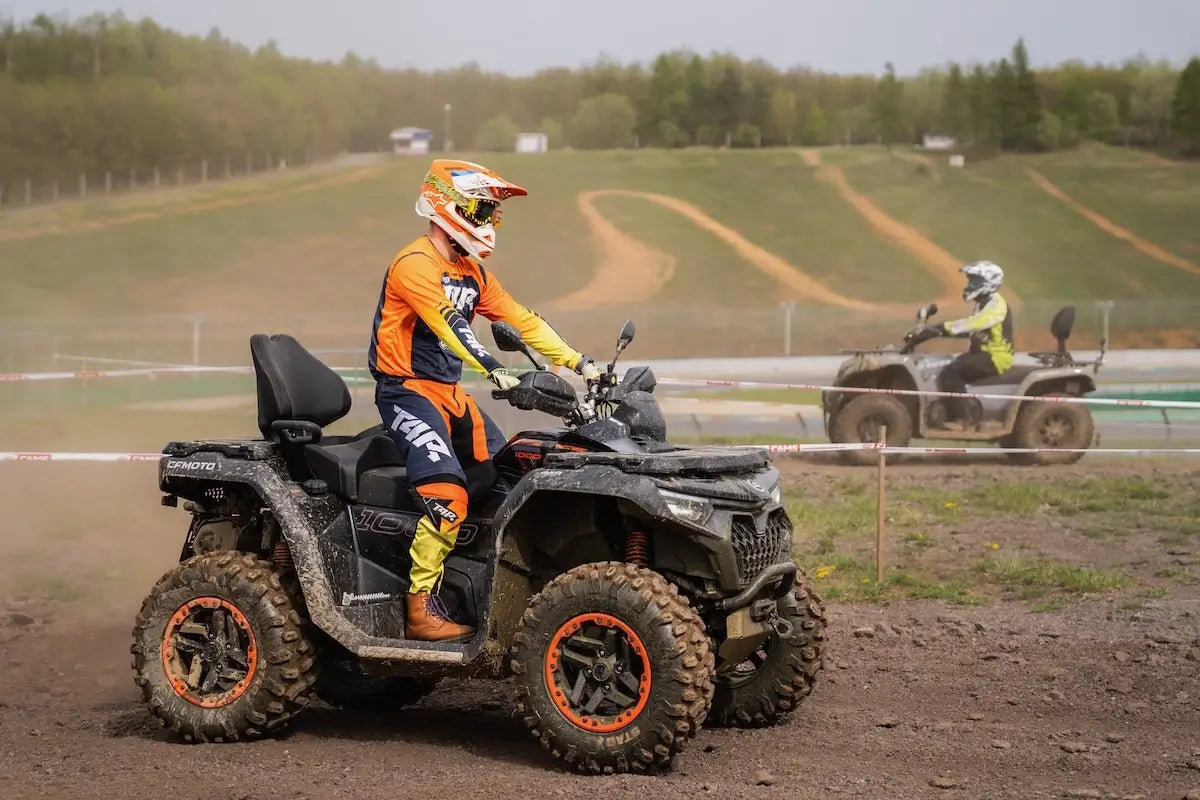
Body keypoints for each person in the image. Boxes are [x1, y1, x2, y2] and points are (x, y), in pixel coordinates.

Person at [369, 159, 602, 641]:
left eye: (493, 214)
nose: (488, 221)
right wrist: (495, 369)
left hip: (450, 395)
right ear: (447, 206)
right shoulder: (414, 264)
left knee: (513, 473)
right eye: (482, 209)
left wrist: (582, 363)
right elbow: (448, 324)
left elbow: (523, 321)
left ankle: (483, 585)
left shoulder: (471, 271)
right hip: (407, 393)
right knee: (449, 497)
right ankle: (419, 611)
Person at [906, 261, 1014, 427]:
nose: (970, 285)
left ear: (989, 283)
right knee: (944, 365)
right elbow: (970, 331)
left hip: (995, 357)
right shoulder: (982, 304)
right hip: (983, 354)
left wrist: (939, 328)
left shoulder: (996, 305)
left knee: (952, 372)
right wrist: (933, 333)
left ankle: (963, 419)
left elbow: (971, 324)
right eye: (970, 281)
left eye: (975, 281)